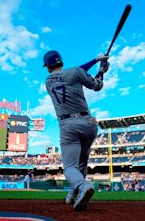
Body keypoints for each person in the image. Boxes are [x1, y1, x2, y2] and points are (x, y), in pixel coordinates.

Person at [42, 50, 109, 211]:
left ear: (49, 66)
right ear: (61, 62)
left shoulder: (48, 81)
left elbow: (72, 73)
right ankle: (73, 195)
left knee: (70, 167)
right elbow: (97, 85)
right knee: (81, 163)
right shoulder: (76, 72)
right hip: (89, 121)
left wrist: (94, 60)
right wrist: (101, 69)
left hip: (68, 124)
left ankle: (83, 186)